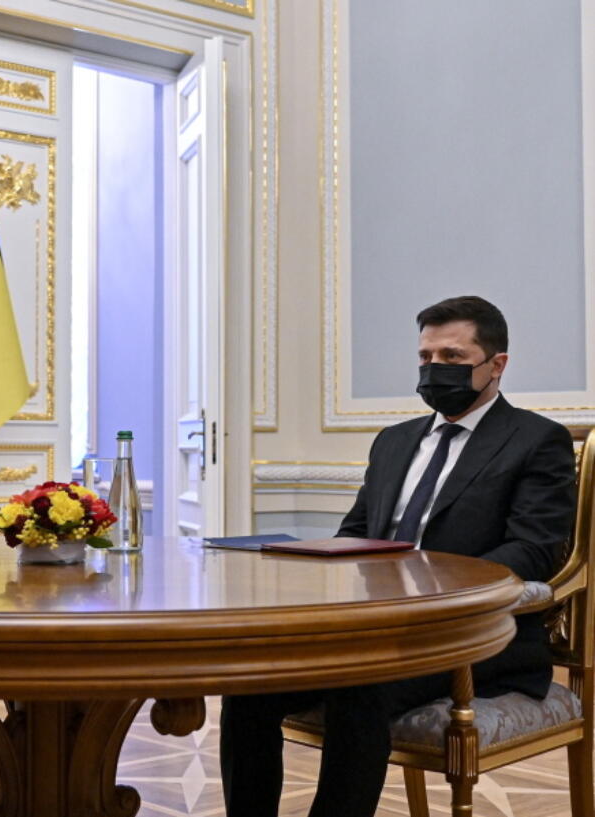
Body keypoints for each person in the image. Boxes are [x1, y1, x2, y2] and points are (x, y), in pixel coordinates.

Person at [219, 295, 576, 817]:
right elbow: (357, 533)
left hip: (473, 633)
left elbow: (534, 550)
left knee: (358, 688)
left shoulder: (535, 440)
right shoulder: (394, 441)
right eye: (426, 358)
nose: (435, 370)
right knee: (249, 686)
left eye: (452, 358)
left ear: (496, 365)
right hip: (376, 628)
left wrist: (429, 585)